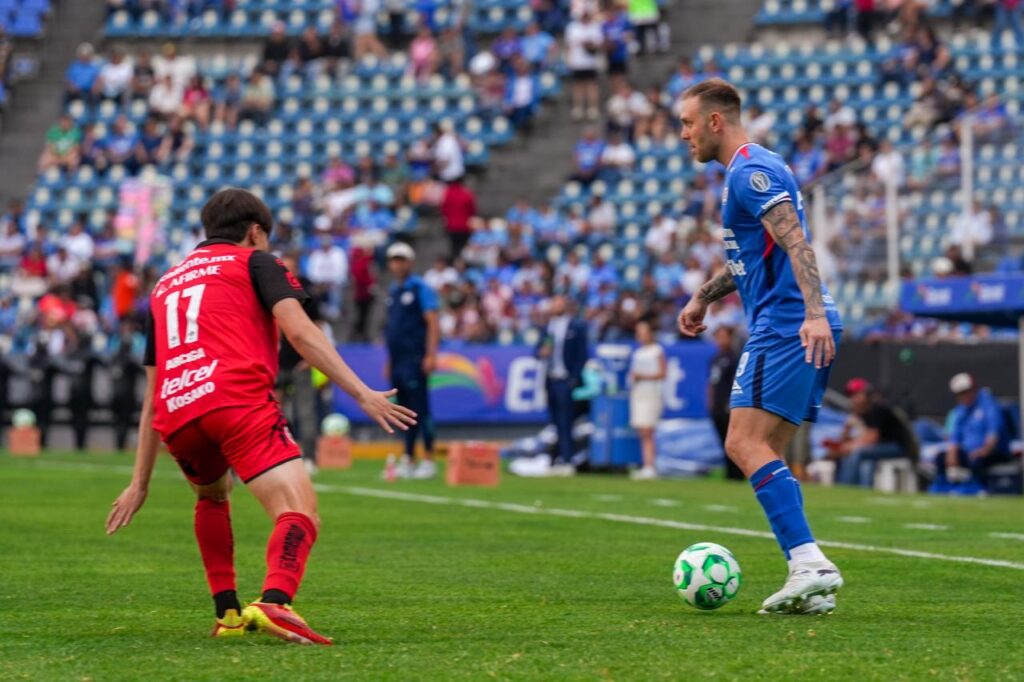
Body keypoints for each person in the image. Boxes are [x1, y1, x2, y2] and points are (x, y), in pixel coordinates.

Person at [105, 188, 416, 645]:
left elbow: (152, 394)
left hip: (177, 413)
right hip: (234, 401)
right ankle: (276, 600)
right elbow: (300, 332)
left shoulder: (165, 285)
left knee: (212, 497)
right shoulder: (255, 262)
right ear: (254, 232)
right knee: (299, 509)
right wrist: (362, 393)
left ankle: (228, 614)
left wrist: (141, 482)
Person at [676, 79, 844, 615]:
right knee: (763, 448)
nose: (684, 135)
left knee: (743, 443)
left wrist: (813, 314)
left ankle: (809, 564)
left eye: (688, 123)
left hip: (788, 324)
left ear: (715, 122)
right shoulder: (752, 168)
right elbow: (755, 254)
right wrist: (704, 296)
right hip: (797, 322)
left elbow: (795, 238)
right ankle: (810, 581)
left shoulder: (749, 171)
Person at [384, 242, 440, 479]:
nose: (397, 264)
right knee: (404, 411)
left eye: (401, 259)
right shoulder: (394, 292)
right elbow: (392, 330)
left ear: (410, 262)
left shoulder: (420, 289)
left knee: (421, 409)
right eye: (394, 260)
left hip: (416, 358)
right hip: (398, 360)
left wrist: (431, 354)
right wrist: (390, 360)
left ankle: (428, 458)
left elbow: (433, 322)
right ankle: (408, 457)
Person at [929, 373, 1014, 495]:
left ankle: (976, 486)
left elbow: (995, 430)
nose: (963, 396)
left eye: (965, 392)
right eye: (959, 394)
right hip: (968, 452)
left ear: (973, 389)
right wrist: (952, 451)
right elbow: (955, 436)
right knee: (941, 457)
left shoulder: (988, 404)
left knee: (976, 459)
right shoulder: (961, 410)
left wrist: (984, 449)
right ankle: (943, 485)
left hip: (992, 451)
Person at [536, 295, 588, 476]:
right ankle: (556, 458)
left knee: (566, 422)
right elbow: (537, 350)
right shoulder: (548, 328)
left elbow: (582, 355)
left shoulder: (575, 327)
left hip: (565, 379)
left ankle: (567, 459)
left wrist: (573, 378)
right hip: (550, 379)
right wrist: (541, 351)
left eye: (559, 304)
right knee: (555, 422)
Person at [826, 378, 912, 487]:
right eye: (851, 395)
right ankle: (862, 491)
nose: (854, 399)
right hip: (878, 447)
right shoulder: (860, 411)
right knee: (866, 462)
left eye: (857, 394)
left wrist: (850, 447)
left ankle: (845, 487)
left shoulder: (877, 408)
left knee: (857, 453)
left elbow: (872, 438)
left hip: (896, 446)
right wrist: (847, 428)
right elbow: (854, 439)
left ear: (867, 394)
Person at [628, 318, 666, 480]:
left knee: (648, 430)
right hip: (639, 393)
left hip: (651, 393)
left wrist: (642, 376)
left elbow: (662, 373)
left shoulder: (657, 350)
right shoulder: (637, 352)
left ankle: (650, 465)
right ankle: (646, 464)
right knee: (641, 430)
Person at [707, 325, 742, 480]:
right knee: (723, 441)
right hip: (717, 406)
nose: (720, 340)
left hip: (729, 406)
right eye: (717, 337)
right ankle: (729, 472)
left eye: (723, 336)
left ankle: (737, 473)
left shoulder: (734, 359)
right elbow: (712, 383)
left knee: (733, 442)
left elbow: (736, 383)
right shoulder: (715, 359)